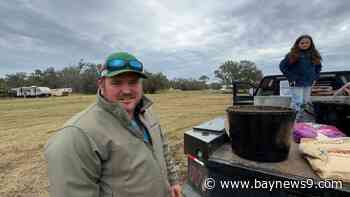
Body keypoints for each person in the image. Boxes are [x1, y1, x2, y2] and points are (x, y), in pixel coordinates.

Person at [45, 52, 182, 197]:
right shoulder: (77, 135)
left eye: (133, 82)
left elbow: (162, 147)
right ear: (101, 84)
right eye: (116, 82)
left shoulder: (147, 112)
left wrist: (173, 181)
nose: (127, 90)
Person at [279, 35, 322, 121]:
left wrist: (315, 78)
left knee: (305, 102)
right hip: (296, 83)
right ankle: (292, 121)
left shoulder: (314, 55)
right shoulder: (292, 55)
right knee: (297, 102)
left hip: (308, 82)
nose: (304, 44)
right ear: (298, 44)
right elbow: (282, 66)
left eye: (307, 43)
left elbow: (318, 67)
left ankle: (299, 120)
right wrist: (292, 78)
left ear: (311, 44)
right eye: (302, 43)